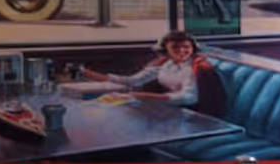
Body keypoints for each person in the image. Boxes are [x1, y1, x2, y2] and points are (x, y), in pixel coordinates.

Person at [80, 31, 226, 116]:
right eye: (176, 47)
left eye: (186, 47)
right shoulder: (164, 64)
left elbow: (189, 97)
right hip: (166, 109)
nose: (182, 51)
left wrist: (145, 96)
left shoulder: (194, 68)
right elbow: (133, 81)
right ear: (166, 50)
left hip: (189, 114)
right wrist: (90, 74)